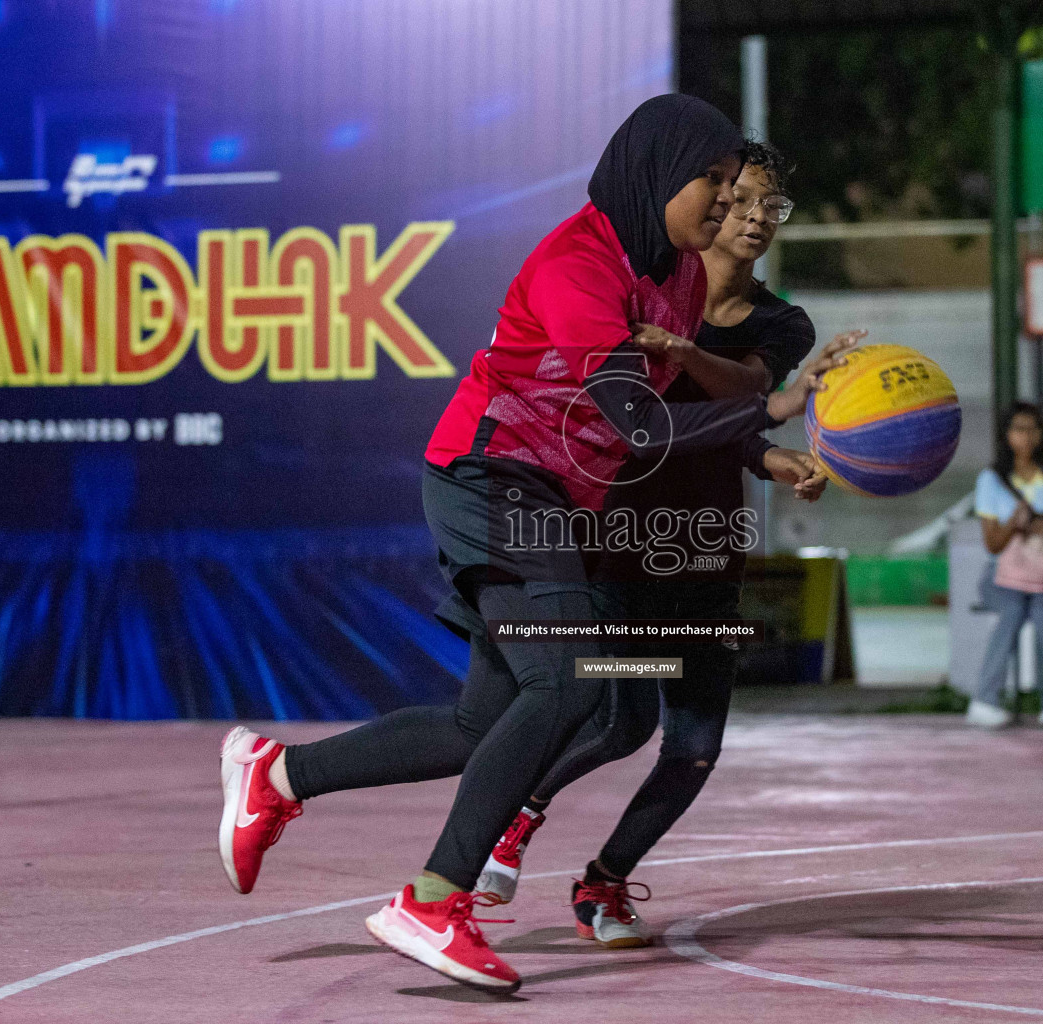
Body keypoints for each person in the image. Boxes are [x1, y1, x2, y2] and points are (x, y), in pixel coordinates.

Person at [213, 95, 832, 993]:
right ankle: (432, 899)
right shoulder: (578, 265)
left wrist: (765, 438)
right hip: (490, 475)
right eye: (711, 181)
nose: (724, 201)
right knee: (570, 677)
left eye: (733, 185)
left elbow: (691, 405)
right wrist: (772, 407)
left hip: (551, 499)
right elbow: (637, 422)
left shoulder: (682, 275)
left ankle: (280, 775)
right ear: (659, 171)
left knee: (481, 725)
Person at [468, 143, 851, 947]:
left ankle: (603, 883)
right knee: (620, 718)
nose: (751, 218)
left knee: (697, 748)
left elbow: (733, 401)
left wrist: (769, 452)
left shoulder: (783, 323)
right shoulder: (644, 289)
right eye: (739, 198)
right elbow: (656, 421)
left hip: (705, 546)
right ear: (707, 200)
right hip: (619, 536)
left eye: (769, 207)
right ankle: (518, 816)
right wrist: (757, 420)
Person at [964, 401, 1043, 729]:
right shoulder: (991, 479)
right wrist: (1015, 523)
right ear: (1006, 435)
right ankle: (991, 698)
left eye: (1033, 429)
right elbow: (993, 544)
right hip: (1001, 573)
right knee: (1016, 607)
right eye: (1019, 429)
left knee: (1042, 606)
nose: (1027, 437)